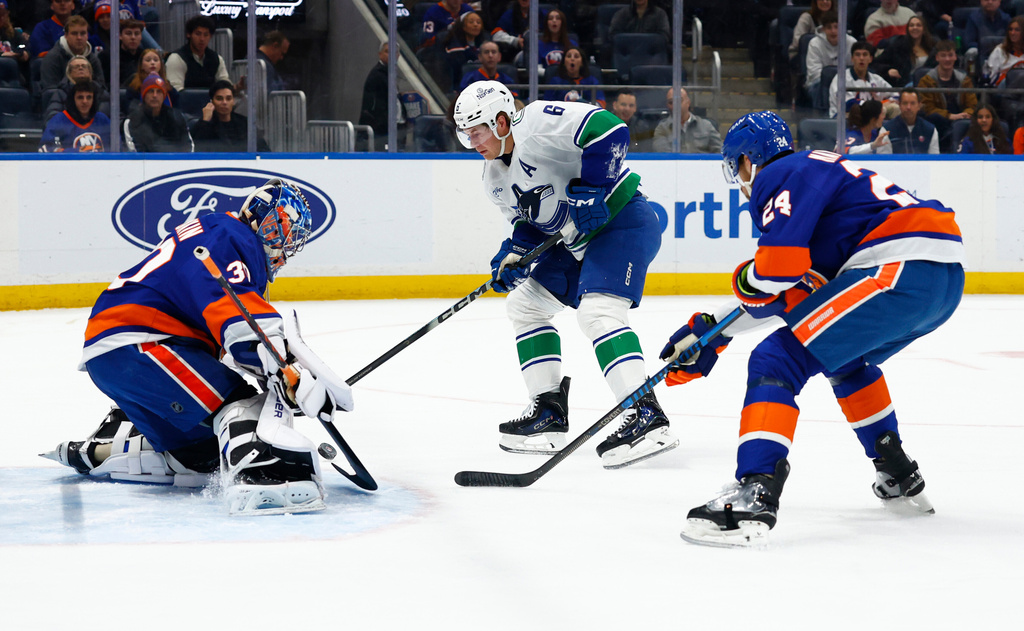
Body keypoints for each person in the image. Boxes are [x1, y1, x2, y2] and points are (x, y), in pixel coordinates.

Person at [666, 111, 965, 547]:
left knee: (776, 359)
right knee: (841, 357)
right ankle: (898, 473)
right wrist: (713, 331)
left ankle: (755, 491)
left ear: (749, 159)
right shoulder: (821, 175)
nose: (742, 181)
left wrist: (743, 284)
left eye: (738, 168)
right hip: (941, 279)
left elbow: (775, 272)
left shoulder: (779, 174)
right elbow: (793, 295)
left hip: (897, 267)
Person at [41, 179, 353, 516]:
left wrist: (280, 380)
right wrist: (287, 371)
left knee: (200, 455)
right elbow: (239, 319)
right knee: (242, 408)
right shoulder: (232, 236)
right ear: (261, 220)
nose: (283, 249)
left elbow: (231, 339)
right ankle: (265, 479)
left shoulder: (218, 232)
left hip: (119, 350)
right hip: (144, 343)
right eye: (281, 232)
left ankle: (108, 446)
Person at [451, 80, 678, 469]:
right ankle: (549, 412)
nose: (473, 143)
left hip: (622, 221)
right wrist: (514, 254)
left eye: (477, 132)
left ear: (501, 121)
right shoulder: (493, 179)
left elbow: (610, 130)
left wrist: (593, 187)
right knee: (524, 305)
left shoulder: (537, 122)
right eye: (466, 135)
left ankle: (646, 414)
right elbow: (529, 223)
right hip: (577, 244)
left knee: (598, 312)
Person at [919, 40, 978, 152]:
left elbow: (972, 105)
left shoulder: (965, 80)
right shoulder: (926, 81)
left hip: (960, 119)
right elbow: (927, 108)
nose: (947, 59)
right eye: (943, 56)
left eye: (950, 55)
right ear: (937, 58)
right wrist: (950, 116)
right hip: (939, 121)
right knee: (934, 117)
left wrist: (965, 114)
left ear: (955, 57)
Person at [191, 79, 269, 152]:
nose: (224, 102)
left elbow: (263, 149)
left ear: (233, 101)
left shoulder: (245, 123)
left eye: (228, 98)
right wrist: (205, 121)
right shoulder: (205, 125)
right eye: (219, 99)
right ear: (212, 102)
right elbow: (196, 149)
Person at [123, 72, 193, 152]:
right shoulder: (132, 121)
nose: (155, 95)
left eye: (159, 91)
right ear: (144, 95)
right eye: (151, 91)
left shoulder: (177, 117)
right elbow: (136, 153)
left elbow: (188, 148)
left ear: (164, 96)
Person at [829, 40, 897, 119]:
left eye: (865, 55)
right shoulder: (841, 78)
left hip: (872, 114)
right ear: (852, 59)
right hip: (845, 116)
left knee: (895, 108)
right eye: (858, 55)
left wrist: (887, 101)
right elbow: (847, 104)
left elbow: (896, 95)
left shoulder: (876, 79)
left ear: (870, 59)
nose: (861, 58)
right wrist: (873, 105)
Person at [39, 79, 110, 152]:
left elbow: (115, 147)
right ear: (73, 99)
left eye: (89, 97)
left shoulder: (102, 120)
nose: (85, 101)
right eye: (80, 97)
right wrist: (76, 152)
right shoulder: (59, 121)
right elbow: (46, 149)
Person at [804, 11, 856, 111]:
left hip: (846, 82)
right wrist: (833, 81)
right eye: (829, 27)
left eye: (836, 27)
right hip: (819, 83)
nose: (833, 31)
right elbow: (814, 73)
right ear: (823, 29)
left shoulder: (852, 43)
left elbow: (855, 69)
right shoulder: (814, 44)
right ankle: (823, 114)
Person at [165, 15, 231, 92]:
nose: (202, 39)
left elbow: (225, 86)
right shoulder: (176, 58)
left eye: (206, 35)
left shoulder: (216, 58)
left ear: (210, 36)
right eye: (198, 34)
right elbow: (175, 92)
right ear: (189, 34)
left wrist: (237, 87)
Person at [40, 15, 104, 91]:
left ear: (87, 35)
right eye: (74, 33)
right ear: (66, 35)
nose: (79, 37)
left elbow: (102, 89)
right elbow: (50, 91)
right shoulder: (52, 58)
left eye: (83, 33)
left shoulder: (93, 59)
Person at [43, 53, 111, 124]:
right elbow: (52, 118)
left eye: (84, 66)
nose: (81, 68)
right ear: (69, 73)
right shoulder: (60, 93)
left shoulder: (101, 93)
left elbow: (112, 118)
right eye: (76, 67)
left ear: (90, 73)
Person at [870, 15, 937, 86]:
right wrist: (888, 70)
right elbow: (877, 63)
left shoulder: (933, 46)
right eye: (911, 25)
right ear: (907, 29)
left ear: (924, 29)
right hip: (904, 84)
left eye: (918, 25)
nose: (915, 28)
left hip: (927, 84)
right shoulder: (898, 45)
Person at [653, 87, 723, 153]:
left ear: (688, 102)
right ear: (667, 105)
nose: (675, 105)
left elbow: (721, 152)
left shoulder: (706, 126)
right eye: (671, 102)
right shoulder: (662, 129)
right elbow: (664, 156)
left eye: (679, 101)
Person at [884, 87, 940, 153]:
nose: (908, 107)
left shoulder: (930, 130)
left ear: (919, 106)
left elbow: (934, 157)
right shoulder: (886, 130)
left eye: (912, 103)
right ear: (899, 105)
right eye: (905, 103)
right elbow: (883, 158)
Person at [125, 47, 180, 114]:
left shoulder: (167, 85)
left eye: (156, 60)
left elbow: (177, 108)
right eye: (148, 60)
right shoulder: (134, 85)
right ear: (141, 65)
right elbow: (129, 107)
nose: (152, 63)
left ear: (161, 65)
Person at [443, 11, 487, 91]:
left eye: (478, 22)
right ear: (462, 26)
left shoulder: (484, 45)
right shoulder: (455, 47)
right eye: (471, 22)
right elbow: (457, 72)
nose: (475, 25)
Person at [98, 17, 143, 86]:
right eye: (128, 33)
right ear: (120, 36)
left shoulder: (144, 56)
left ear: (141, 37)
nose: (133, 37)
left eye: (137, 34)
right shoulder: (107, 56)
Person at [982, 15, 1024, 87]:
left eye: (1017, 30)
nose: (1012, 33)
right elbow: (991, 77)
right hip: (1004, 86)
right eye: (1010, 29)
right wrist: (1008, 73)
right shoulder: (999, 50)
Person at [0, 0, 30, 66]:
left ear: (7, 14)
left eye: (3, 14)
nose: (1, 18)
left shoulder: (14, 33)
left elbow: (23, 46)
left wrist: (15, 53)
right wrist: (2, 54)